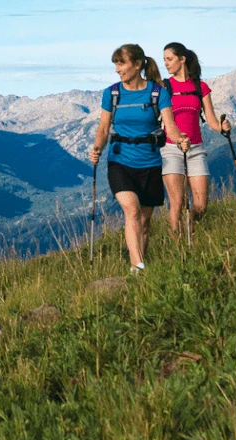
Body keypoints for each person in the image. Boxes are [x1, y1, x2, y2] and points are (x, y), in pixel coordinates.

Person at [89, 44, 189, 273]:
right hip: (119, 161)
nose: (117, 69)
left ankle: (139, 267)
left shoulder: (158, 93)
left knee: (144, 222)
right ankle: (137, 267)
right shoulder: (112, 93)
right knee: (132, 211)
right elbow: (103, 128)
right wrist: (96, 149)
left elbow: (170, 127)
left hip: (150, 163)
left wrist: (180, 140)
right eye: (116, 64)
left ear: (137, 64)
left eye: (121, 63)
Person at [161, 42, 230, 236]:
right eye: (164, 60)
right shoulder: (165, 87)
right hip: (171, 149)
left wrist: (222, 127)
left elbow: (212, 120)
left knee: (201, 205)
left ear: (182, 59)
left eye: (169, 59)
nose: (166, 63)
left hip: (196, 149)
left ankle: (189, 231)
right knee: (178, 203)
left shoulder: (200, 87)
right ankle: (177, 245)